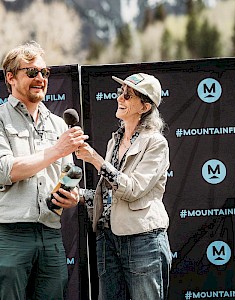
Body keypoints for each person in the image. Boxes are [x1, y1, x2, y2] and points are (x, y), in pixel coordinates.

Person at [0, 41, 88, 299]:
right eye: (31, 72)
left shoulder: (59, 124)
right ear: (11, 77)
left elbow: (66, 174)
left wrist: (71, 196)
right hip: (9, 234)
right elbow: (5, 170)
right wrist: (57, 150)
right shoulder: (1, 119)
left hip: (50, 233)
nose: (40, 78)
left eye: (44, 72)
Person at [76, 73, 172, 300]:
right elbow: (110, 196)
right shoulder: (115, 141)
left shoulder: (156, 142)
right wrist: (79, 195)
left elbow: (133, 190)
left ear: (145, 106)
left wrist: (96, 160)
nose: (120, 98)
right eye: (121, 93)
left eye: (128, 96)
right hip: (107, 239)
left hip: (142, 240)